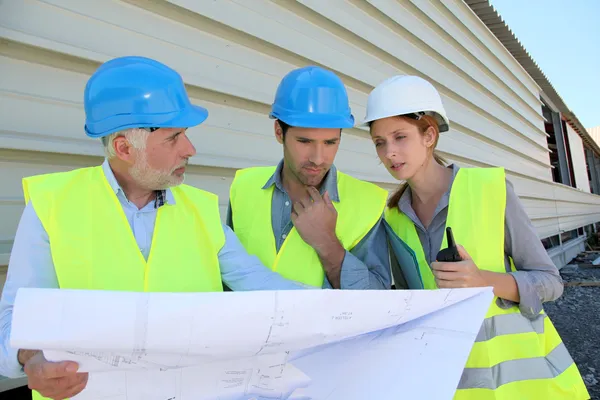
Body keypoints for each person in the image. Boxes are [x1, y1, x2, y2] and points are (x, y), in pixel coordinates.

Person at [0, 56, 308, 400]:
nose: (190, 149)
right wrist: (31, 359)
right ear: (124, 147)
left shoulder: (201, 210)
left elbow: (262, 284)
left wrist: (350, 312)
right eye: (174, 137)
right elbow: (15, 318)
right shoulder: (51, 204)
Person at [362, 75, 589, 399]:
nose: (390, 152)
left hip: (522, 385)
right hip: (449, 383)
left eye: (400, 137)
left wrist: (483, 279)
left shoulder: (490, 190)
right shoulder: (392, 219)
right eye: (379, 142)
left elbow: (551, 282)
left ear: (429, 135)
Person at [226, 66, 391, 290]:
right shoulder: (244, 186)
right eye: (304, 141)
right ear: (278, 132)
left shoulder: (368, 204)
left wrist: (327, 243)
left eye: (330, 142)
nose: (318, 158)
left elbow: (379, 300)